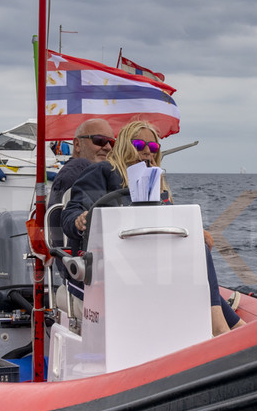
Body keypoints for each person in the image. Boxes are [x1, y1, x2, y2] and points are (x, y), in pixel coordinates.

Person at [103, 119, 240, 336]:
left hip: (157, 252)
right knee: (199, 252)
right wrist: (80, 218)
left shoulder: (157, 182)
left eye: (153, 147)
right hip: (127, 255)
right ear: (124, 146)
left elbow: (170, 219)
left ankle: (231, 324)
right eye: (139, 145)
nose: (147, 151)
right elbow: (82, 211)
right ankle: (222, 326)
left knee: (198, 248)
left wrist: (195, 231)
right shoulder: (108, 174)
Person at [49, 118, 123, 250]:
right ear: (77, 145)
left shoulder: (71, 171)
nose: (107, 147)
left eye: (112, 143)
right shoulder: (80, 169)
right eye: (99, 140)